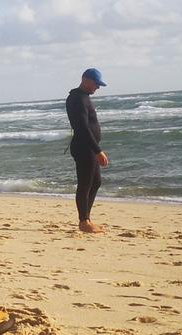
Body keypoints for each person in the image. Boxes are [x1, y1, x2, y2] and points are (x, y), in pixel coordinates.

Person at [66, 67, 109, 234]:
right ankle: (83, 222)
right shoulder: (76, 99)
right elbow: (82, 128)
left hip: (88, 147)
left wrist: (96, 149)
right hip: (84, 147)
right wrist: (98, 150)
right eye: (96, 84)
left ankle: (87, 219)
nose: (97, 88)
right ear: (86, 80)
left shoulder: (83, 97)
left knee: (96, 182)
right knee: (85, 184)